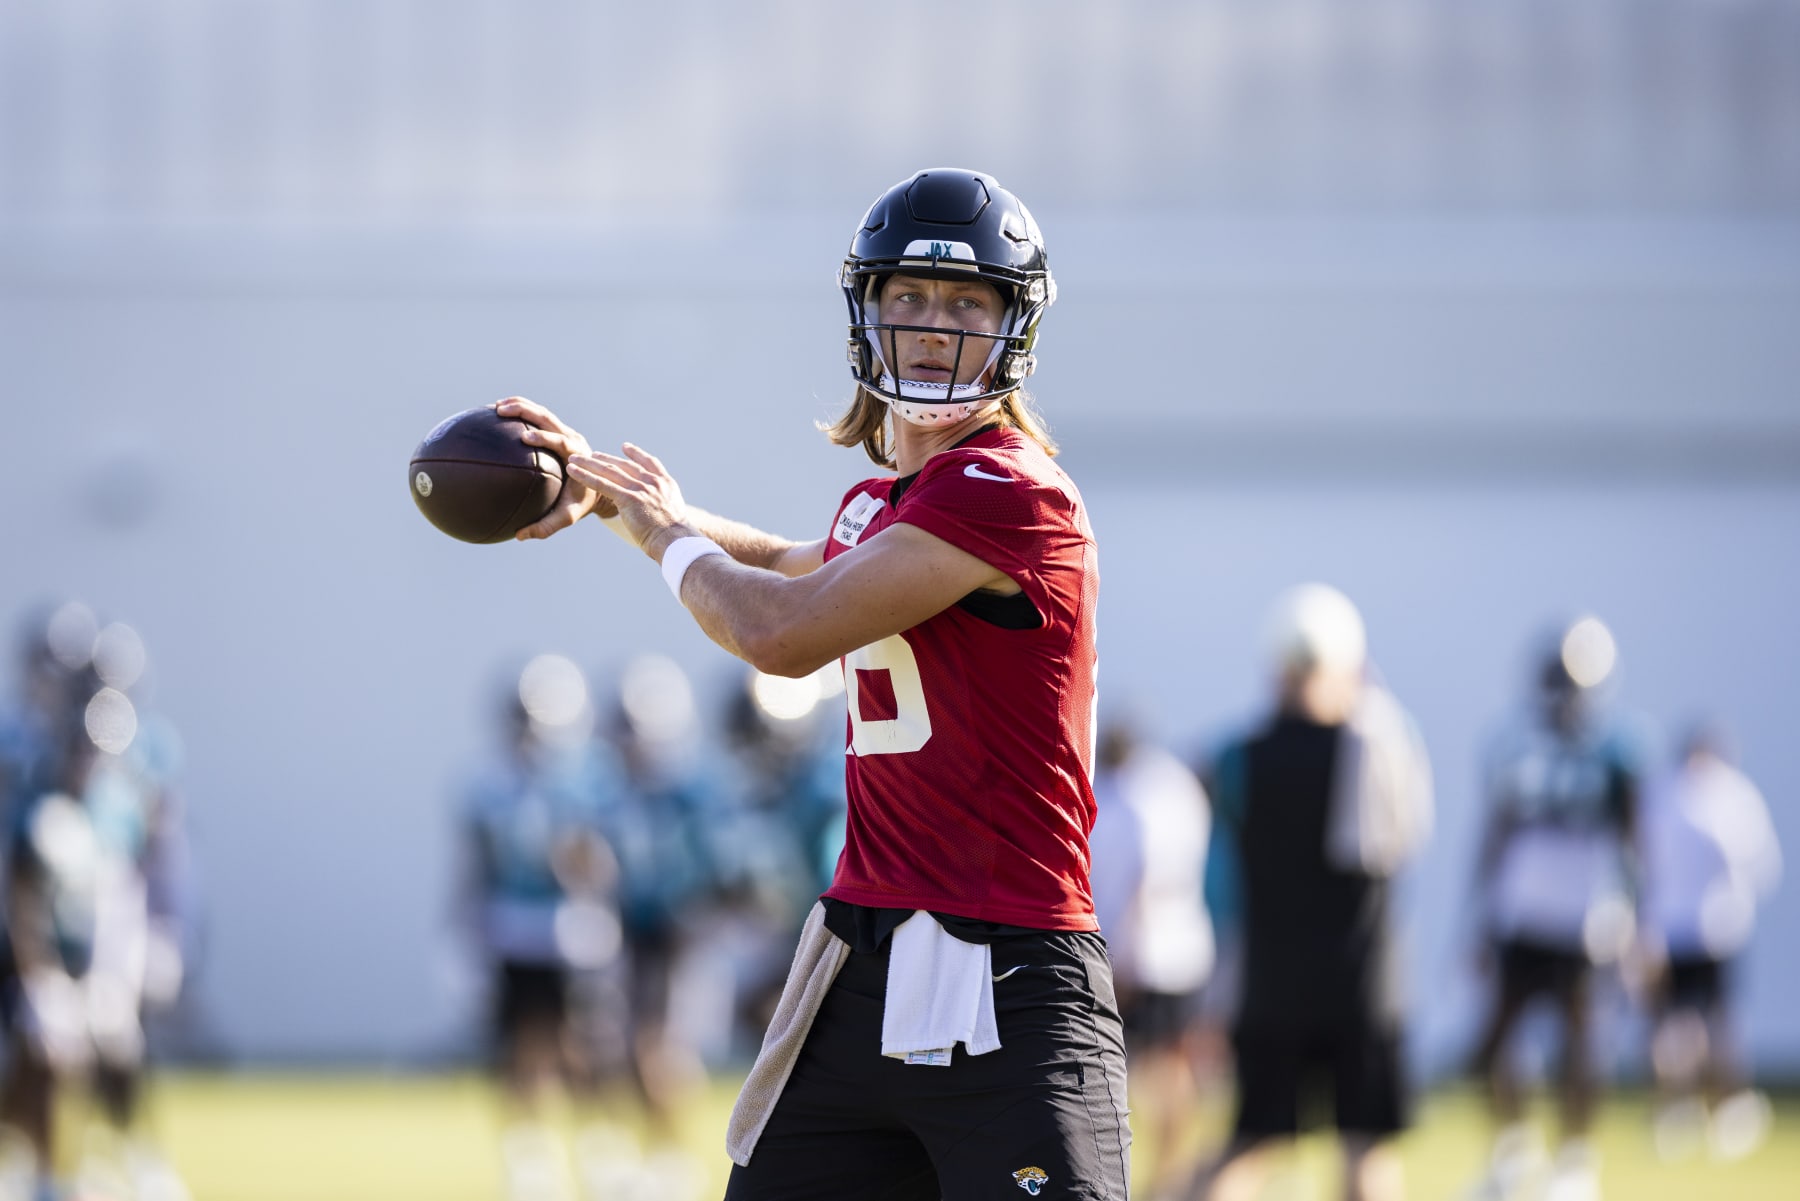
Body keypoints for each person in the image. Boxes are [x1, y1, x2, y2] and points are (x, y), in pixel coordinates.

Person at [497, 167, 1126, 1200]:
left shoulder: (1008, 488)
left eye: (966, 302)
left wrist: (660, 533)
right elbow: (798, 561)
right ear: (865, 312)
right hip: (860, 956)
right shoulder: (888, 504)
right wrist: (624, 504)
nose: (932, 326)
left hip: (1010, 963)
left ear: (1014, 325)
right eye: (908, 298)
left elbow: (779, 630)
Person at [1176, 584, 1432, 1201]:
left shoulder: (1237, 757)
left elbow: (1212, 871)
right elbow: (1408, 838)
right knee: (1365, 1149)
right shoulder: (1377, 748)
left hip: (1274, 986)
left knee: (1250, 1143)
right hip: (1363, 986)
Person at [1465, 616, 1644, 1201]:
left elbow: (1635, 843)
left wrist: (1639, 922)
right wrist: (1480, 919)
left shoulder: (1619, 750)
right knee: (1494, 1044)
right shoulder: (1512, 745)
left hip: (1587, 919)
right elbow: (1495, 836)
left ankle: (1573, 1163)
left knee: (1581, 1044)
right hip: (1521, 916)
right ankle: (1514, 1153)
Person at [1638, 722, 1781, 1162]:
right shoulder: (1669, 794)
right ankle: (1683, 1108)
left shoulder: (1730, 796)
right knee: (1678, 1026)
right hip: (1676, 928)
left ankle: (1724, 1109)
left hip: (1715, 928)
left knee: (1714, 1023)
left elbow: (1757, 862)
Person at [1086, 717, 1214, 1200]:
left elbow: (1142, 880)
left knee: (1150, 1074)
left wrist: (1124, 959)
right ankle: (1170, 1178)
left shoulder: (1134, 796)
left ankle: (1165, 1179)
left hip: (1149, 957)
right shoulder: (1174, 785)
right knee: (1171, 1070)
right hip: (1185, 947)